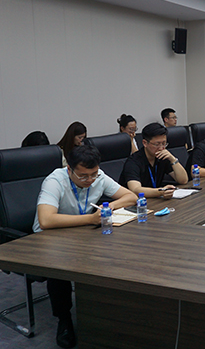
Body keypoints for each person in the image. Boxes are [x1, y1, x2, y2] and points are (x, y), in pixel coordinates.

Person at [32, 145, 137, 349]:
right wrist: (90, 218)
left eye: (93, 175)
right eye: (83, 176)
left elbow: (131, 197)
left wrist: (109, 206)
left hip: (81, 232)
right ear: (69, 169)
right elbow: (46, 220)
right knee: (59, 268)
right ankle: (64, 319)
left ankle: (103, 311)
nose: (89, 180)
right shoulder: (55, 181)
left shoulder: (98, 176)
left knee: (115, 251)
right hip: (49, 237)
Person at [119, 122, 188, 198]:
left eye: (164, 143)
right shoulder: (133, 162)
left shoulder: (163, 156)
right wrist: (160, 192)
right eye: (157, 144)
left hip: (155, 199)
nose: (161, 148)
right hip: (136, 202)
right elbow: (135, 189)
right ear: (145, 143)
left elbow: (183, 180)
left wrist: (173, 159)